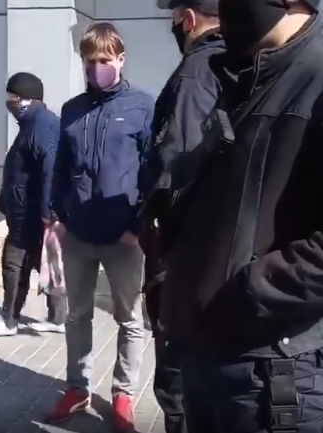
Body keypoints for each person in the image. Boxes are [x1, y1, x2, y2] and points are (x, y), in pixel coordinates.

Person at [155, 0, 323, 431]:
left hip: (271, 375)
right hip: (208, 361)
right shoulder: (244, 75)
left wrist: (246, 292)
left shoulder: (316, 78)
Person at [47, 22, 155, 432]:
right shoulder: (72, 109)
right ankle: (78, 389)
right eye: (89, 61)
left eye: (105, 60)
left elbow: (153, 173)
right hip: (78, 235)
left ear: (121, 59)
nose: (97, 68)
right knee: (77, 316)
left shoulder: (142, 106)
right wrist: (57, 216)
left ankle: (124, 394)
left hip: (124, 237)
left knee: (130, 319)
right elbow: (61, 168)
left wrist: (139, 227)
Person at [140, 1, 224, 433]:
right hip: (219, 250)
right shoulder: (243, 63)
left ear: (189, 19)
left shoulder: (195, 73)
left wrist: (152, 220)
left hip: (183, 258)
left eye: (174, 17)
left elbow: (174, 170)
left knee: (177, 383)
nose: (173, 26)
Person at [0, 72, 68, 337]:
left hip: (29, 212)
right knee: (44, 261)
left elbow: (51, 168)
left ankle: (9, 320)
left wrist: (49, 211)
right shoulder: (34, 123)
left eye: (12, 97)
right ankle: (59, 318)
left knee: (14, 262)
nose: (9, 102)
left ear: (25, 98)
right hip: (27, 210)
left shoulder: (41, 125)